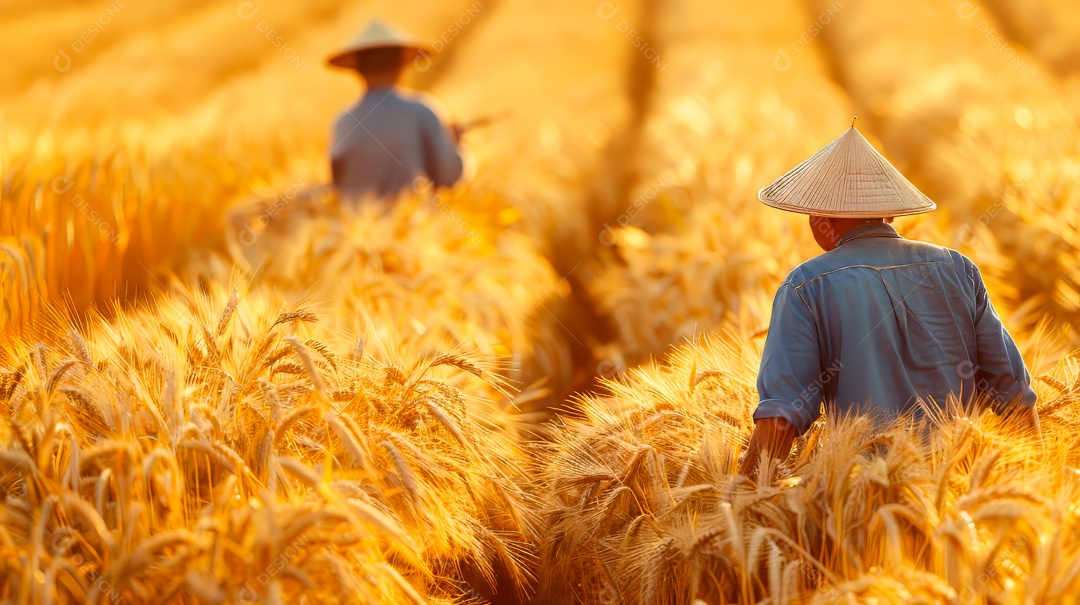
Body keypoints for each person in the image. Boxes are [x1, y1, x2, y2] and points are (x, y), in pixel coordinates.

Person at [739, 122, 1039, 480]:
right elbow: (1014, 395)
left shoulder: (806, 286)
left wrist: (740, 503)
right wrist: (1037, 491)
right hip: (959, 499)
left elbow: (781, 419)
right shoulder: (957, 268)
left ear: (817, 218)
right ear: (891, 213)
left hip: (863, 509)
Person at [326, 19, 465, 202]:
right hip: (412, 227)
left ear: (358, 70)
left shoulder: (342, 122)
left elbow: (337, 185)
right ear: (402, 64)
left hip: (352, 226)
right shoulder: (422, 110)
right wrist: (457, 143)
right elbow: (449, 177)